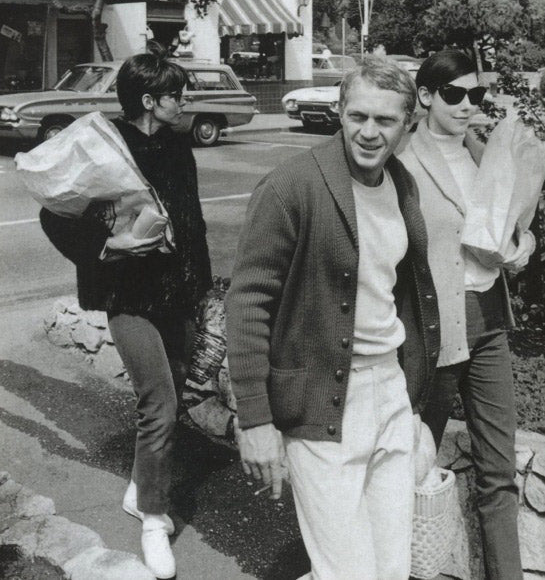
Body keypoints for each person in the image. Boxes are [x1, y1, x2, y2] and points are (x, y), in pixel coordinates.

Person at [226, 57, 440, 580]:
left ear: (407, 125)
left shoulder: (402, 184)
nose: (368, 132)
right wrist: (255, 420)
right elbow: (248, 302)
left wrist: (411, 400)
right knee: (348, 571)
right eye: (357, 116)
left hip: (389, 389)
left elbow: (404, 295)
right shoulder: (292, 186)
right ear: (340, 111)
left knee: (392, 566)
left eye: (385, 121)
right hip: (321, 400)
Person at [40, 51, 212, 579]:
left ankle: (143, 485)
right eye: (176, 96)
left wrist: (202, 287)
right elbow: (54, 212)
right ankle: (154, 522)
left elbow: (192, 217)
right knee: (157, 403)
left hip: (178, 293)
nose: (184, 103)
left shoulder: (179, 145)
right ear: (148, 100)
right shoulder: (101, 144)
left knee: (176, 385)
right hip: (129, 297)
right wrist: (108, 245)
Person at [399, 49, 534, 580]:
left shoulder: (491, 153)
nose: (466, 105)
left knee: (498, 473)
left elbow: (511, 228)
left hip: (489, 323)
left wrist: (522, 246)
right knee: (412, 465)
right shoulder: (402, 161)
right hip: (433, 332)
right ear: (427, 96)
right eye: (453, 94)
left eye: (475, 95)